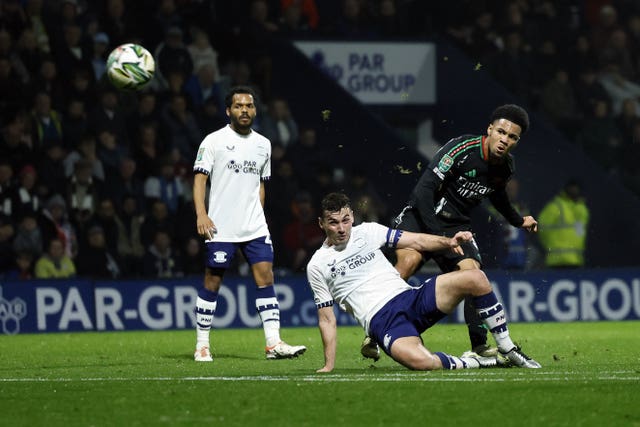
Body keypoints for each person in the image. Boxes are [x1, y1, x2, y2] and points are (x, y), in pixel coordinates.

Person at [363, 104, 538, 360]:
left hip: (456, 225)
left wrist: (517, 220)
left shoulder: (506, 167)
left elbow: (498, 196)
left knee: (473, 274)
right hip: (421, 216)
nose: (504, 140)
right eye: (501, 132)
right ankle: (374, 331)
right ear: (490, 129)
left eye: (512, 137)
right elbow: (423, 191)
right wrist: (439, 239)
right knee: (408, 263)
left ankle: (479, 346)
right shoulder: (461, 149)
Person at [307, 192, 541, 372]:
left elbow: (416, 241)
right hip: (383, 322)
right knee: (421, 362)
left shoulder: (368, 232)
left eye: (345, 220)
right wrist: (329, 365)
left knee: (475, 277)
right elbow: (327, 320)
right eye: (333, 222)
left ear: (352, 217)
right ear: (321, 224)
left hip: (410, 298)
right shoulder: (317, 265)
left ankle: (507, 347)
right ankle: (478, 362)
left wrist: (448, 242)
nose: (341, 228)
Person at [191, 85, 306, 362]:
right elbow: (199, 179)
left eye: (250, 106)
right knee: (213, 281)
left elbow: (261, 185)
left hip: (254, 226)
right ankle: (202, 345)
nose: (245, 110)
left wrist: (260, 214)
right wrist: (201, 214)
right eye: (239, 106)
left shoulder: (263, 144)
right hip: (221, 226)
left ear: (255, 110)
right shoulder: (213, 141)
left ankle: (273, 343)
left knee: (266, 277)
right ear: (228, 110)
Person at [537, 180, 590, 268]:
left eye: (576, 189)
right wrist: (550, 247)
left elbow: (580, 233)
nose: (574, 191)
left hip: (576, 260)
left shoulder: (582, 209)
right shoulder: (556, 207)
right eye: (571, 189)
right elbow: (541, 229)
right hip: (557, 261)